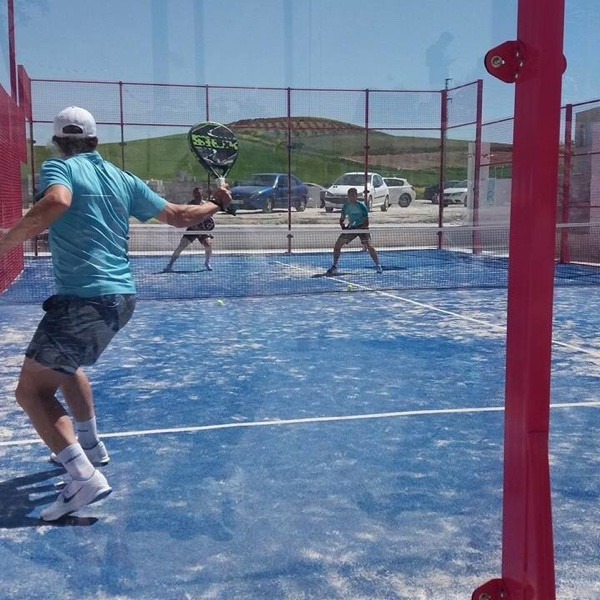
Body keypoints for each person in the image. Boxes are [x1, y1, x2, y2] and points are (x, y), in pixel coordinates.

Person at [0, 106, 232, 521]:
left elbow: (57, 201)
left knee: (31, 392)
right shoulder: (123, 178)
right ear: (94, 141)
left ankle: (82, 477)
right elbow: (179, 217)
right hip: (120, 299)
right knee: (66, 366)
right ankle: (90, 447)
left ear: (57, 142)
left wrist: (5, 242)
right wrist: (216, 202)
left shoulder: (59, 168)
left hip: (83, 300)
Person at [326, 187, 382, 276]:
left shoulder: (362, 206)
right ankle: (335, 265)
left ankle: (378, 265)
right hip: (351, 228)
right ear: (348, 196)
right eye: (350, 196)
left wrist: (360, 228)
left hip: (362, 228)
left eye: (354, 195)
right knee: (338, 245)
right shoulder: (346, 206)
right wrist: (343, 226)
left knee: (369, 245)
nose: (352, 197)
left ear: (356, 196)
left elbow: (366, 222)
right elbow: (342, 219)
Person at [163, 187, 214, 272]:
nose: (198, 195)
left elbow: (210, 217)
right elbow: (185, 217)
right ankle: (170, 265)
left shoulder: (205, 204)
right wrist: (192, 224)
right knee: (181, 246)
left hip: (202, 230)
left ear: (202, 194)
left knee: (208, 244)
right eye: (196, 193)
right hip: (192, 229)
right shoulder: (190, 205)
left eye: (199, 193)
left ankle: (207, 263)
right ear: (193, 195)